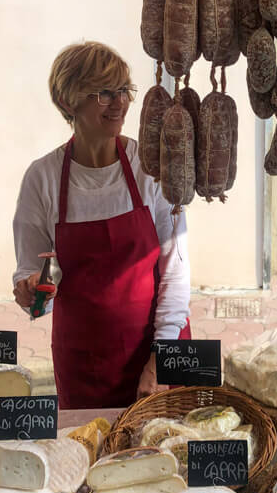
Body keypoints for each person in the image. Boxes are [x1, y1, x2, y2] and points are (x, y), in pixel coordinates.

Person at [12, 41, 191, 408]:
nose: (121, 103)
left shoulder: (150, 166)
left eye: (124, 90)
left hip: (158, 350)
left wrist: (161, 358)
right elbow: (32, 274)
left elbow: (176, 269)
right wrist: (31, 291)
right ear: (68, 102)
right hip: (85, 363)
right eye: (105, 94)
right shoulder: (42, 178)